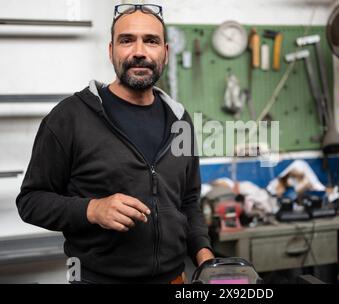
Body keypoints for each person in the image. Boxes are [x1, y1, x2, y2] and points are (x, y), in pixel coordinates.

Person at [16, 3, 214, 284]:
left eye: (151, 41)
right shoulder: (69, 117)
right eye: (126, 40)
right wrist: (92, 209)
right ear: (111, 51)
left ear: (165, 53)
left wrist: (205, 257)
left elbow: (189, 201)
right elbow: (31, 201)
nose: (139, 52)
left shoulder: (180, 120)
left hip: (174, 278)